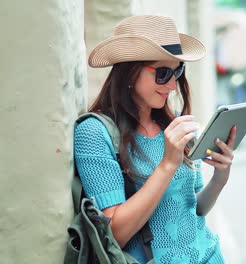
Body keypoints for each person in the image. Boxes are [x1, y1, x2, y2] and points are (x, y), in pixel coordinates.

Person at [74, 15, 234, 263]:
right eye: (162, 73)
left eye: (177, 72)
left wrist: (221, 177)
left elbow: (196, 208)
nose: (172, 85)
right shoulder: (94, 133)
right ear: (130, 73)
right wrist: (167, 165)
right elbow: (115, 234)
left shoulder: (174, 125)